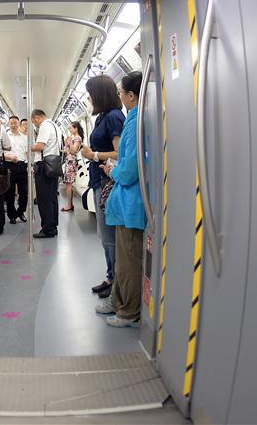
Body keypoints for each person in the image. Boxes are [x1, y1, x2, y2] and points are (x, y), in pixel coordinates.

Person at [95, 72, 146, 327]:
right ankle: (118, 301)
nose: (120, 97)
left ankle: (129, 312)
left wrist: (111, 169)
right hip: (126, 203)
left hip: (132, 203)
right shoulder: (133, 120)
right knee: (124, 261)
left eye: (121, 93)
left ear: (131, 95)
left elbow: (130, 169)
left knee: (129, 262)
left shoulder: (136, 123)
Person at [80, 75, 124, 298]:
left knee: (109, 235)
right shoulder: (102, 118)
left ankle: (116, 281)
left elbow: (120, 153)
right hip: (98, 178)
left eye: (90, 94)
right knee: (103, 234)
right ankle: (110, 276)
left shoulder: (115, 117)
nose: (88, 98)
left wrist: (94, 154)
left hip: (108, 180)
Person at [29, 109, 60, 238]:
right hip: (54, 164)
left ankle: (47, 229)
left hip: (44, 166)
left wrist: (28, 147)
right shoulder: (55, 126)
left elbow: (40, 146)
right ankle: (53, 226)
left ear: (37, 118)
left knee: (44, 199)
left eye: (33, 122)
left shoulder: (44, 126)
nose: (35, 125)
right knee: (52, 197)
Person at [4, 115, 28, 224]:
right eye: (11, 123)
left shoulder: (24, 137)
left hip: (22, 165)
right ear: (9, 124)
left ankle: (21, 211)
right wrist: (9, 157)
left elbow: (27, 152)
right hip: (9, 165)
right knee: (10, 192)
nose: (13, 125)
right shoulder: (5, 136)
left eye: (15, 123)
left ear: (19, 124)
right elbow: (0, 151)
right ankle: (11, 215)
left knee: (24, 192)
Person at [60, 121, 84, 212]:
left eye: (71, 128)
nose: (69, 130)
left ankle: (69, 205)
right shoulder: (73, 138)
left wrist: (69, 142)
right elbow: (67, 151)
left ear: (76, 128)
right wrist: (67, 143)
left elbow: (73, 151)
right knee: (67, 183)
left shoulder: (77, 138)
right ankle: (70, 204)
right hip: (69, 161)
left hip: (71, 162)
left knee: (68, 184)